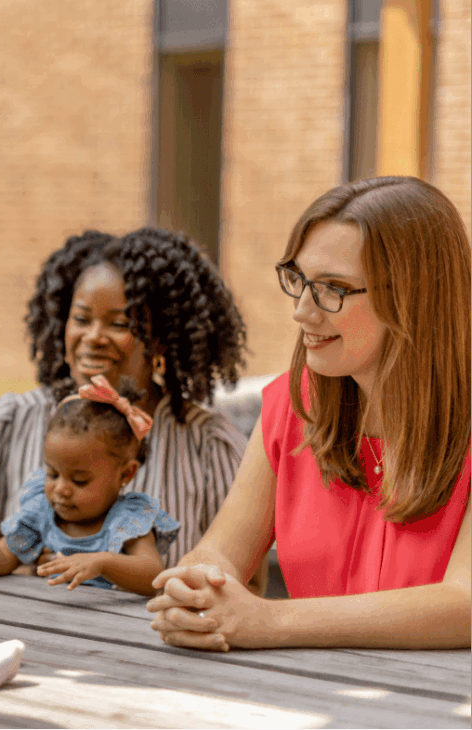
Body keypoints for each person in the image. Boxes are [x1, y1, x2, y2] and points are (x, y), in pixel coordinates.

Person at [147, 176, 471, 651]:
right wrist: (197, 588)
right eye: (299, 280)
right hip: (303, 692)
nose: (302, 311)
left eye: (333, 289)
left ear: (415, 295)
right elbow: (221, 550)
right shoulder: (289, 405)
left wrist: (268, 622)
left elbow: (464, 603)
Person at [0, 227, 253, 576]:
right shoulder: (9, 423)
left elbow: (245, 583)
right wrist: (27, 572)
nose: (92, 337)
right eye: (80, 319)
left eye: (119, 324)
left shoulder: (208, 445)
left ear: (161, 340)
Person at [0, 378, 178, 594]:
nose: (61, 488)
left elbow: (152, 574)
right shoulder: (43, 513)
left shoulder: (126, 520)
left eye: (79, 480)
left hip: (107, 633)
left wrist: (102, 562)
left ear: (126, 473)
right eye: (52, 473)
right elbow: (4, 555)